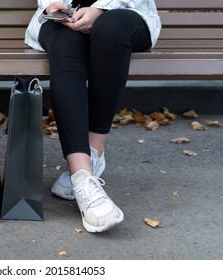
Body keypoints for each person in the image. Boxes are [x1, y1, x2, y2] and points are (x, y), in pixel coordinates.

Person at [25, 0, 161, 233]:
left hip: (126, 11)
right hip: (66, 15)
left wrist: (100, 9)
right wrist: (52, 5)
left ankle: (94, 151)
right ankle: (82, 177)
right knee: (66, 42)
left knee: (111, 26)